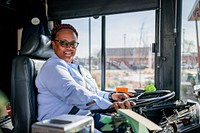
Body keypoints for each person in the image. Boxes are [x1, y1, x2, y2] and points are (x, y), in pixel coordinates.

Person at [35, 23, 135, 132]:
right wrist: (110, 105)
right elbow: (73, 92)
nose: (69, 48)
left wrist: (111, 96)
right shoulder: (53, 67)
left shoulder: (76, 67)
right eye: (63, 43)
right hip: (59, 124)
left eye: (73, 44)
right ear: (54, 44)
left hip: (84, 118)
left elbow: (91, 91)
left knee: (124, 125)